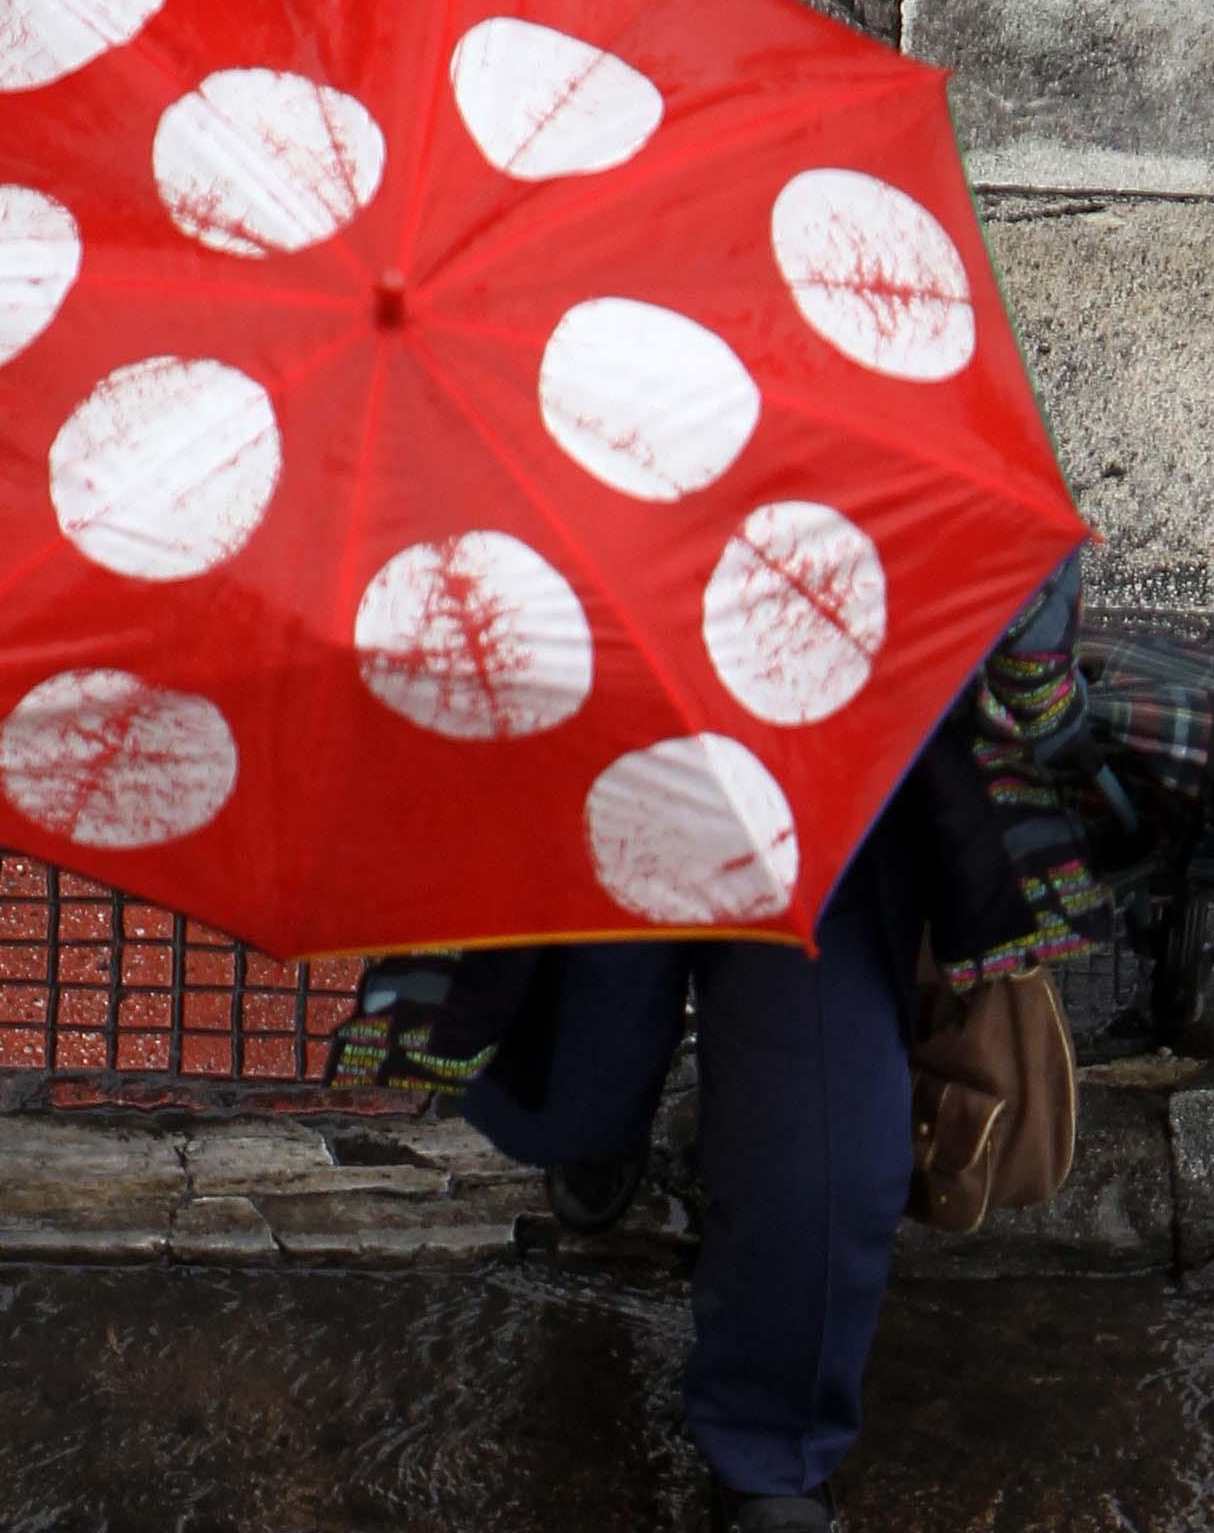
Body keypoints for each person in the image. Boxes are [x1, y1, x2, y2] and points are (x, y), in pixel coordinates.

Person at [330, 557, 1108, 1531]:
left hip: (823, 746)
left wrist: (1032, 662)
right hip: (589, 702)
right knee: (569, 1086)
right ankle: (599, 1121)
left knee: (817, 1152)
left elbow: (984, 490)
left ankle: (772, 1449)